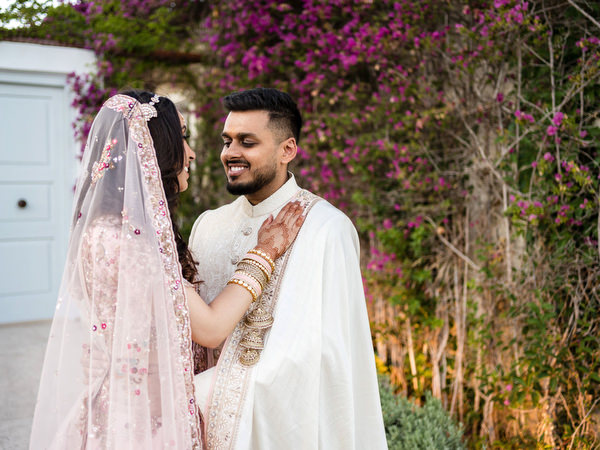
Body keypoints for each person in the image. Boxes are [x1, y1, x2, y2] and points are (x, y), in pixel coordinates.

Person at [29, 91, 305, 449]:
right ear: (156, 151)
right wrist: (265, 252)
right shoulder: (131, 244)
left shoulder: (100, 230)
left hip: (113, 402)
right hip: (146, 420)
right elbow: (210, 328)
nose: (191, 153)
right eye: (182, 139)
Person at [189, 88, 387, 449]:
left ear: (288, 151)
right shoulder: (208, 226)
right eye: (227, 140)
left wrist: (208, 395)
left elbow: (327, 355)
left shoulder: (327, 228)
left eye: (247, 142)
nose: (230, 153)